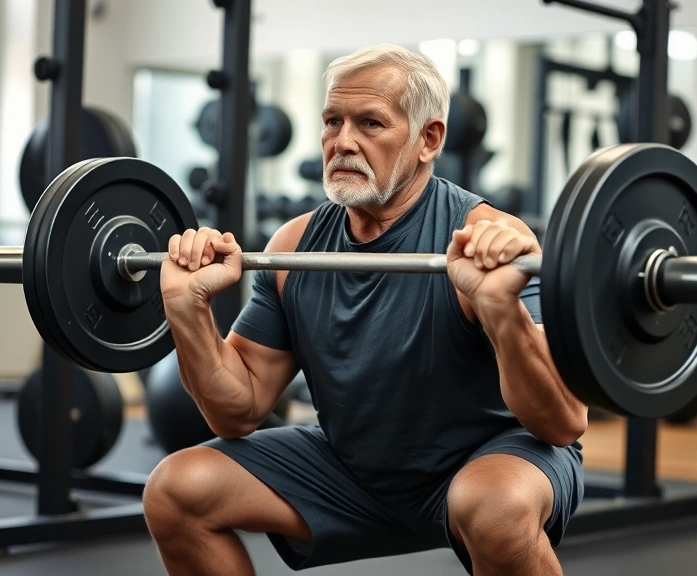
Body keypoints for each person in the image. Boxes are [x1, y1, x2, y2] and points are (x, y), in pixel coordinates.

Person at [143, 43, 588, 576]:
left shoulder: (487, 240)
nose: (343, 142)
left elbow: (564, 423)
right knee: (176, 489)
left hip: (486, 461)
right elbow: (236, 411)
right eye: (333, 121)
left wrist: (499, 308)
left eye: (370, 123)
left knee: (495, 508)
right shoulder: (297, 245)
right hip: (352, 467)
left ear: (429, 139)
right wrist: (187, 309)